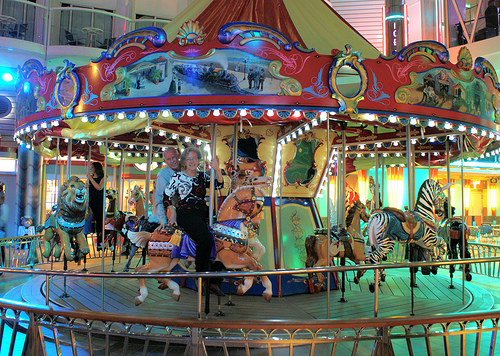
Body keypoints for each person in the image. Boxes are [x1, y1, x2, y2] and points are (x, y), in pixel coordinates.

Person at [163, 147, 224, 288]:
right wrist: (172, 212)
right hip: (186, 212)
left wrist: (217, 169)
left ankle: (215, 279)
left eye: (194, 158)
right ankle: (200, 275)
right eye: (189, 159)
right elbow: (166, 196)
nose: (192, 162)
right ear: (184, 162)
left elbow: (218, 184)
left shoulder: (202, 176)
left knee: (220, 240)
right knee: (205, 239)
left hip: (203, 213)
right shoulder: (177, 177)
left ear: (198, 160)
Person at [155, 147, 180, 230]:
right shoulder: (163, 175)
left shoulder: (186, 168)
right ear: (165, 161)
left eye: (173, 157)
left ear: (178, 156)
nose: (172, 161)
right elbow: (160, 199)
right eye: (169, 159)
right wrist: (163, 222)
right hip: (176, 210)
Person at [86, 162, 105, 251]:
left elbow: (99, 187)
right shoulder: (90, 178)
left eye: (92, 167)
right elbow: (87, 188)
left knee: (99, 220)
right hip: (90, 201)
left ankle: (100, 242)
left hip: (98, 202)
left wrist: (90, 178)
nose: (91, 169)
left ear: (97, 168)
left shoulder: (103, 177)